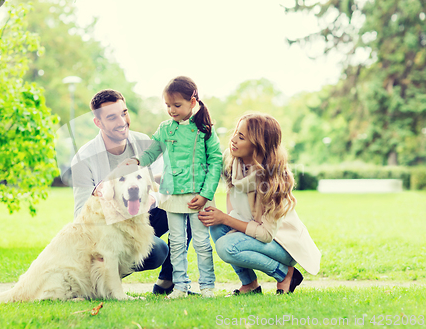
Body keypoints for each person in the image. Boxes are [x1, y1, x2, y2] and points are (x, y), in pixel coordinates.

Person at [70, 89, 189, 294]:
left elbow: (163, 186)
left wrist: (153, 196)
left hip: (142, 215)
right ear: (98, 122)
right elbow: (81, 216)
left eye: (124, 112)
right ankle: (107, 276)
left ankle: (168, 282)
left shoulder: (144, 142)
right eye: (112, 117)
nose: (122, 121)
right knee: (157, 250)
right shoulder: (84, 159)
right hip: (108, 229)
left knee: (184, 204)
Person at [198, 113, 321, 295]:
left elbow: (266, 234)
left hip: (282, 244)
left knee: (227, 246)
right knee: (217, 229)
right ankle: (250, 284)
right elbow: (214, 179)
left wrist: (226, 219)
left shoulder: (273, 180)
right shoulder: (233, 161)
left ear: (258, 146)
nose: (233, 140)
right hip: (254, 232)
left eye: (241, 137)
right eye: (235, 133)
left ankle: (286, 273)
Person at [124, 76, 222, 298]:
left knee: (202, 244)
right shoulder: (165, 129)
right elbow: (152, 151)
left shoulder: (205, 130)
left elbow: (216, 162)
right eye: (168, 105)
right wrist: (138, 161)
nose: (171, 110)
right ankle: (180, 286)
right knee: (177, 243)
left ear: (192, 101)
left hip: (199, 198)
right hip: (172, 196)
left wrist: (206, 195)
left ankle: (207, 286)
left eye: (177, 105)